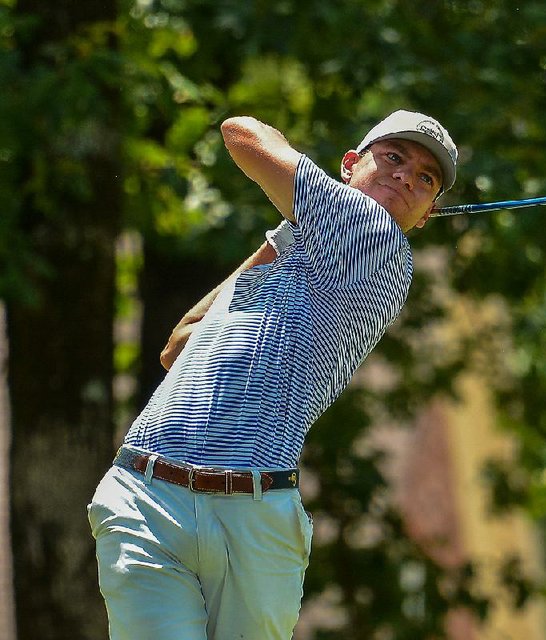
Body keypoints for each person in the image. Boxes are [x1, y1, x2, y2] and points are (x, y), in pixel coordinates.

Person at [87, 109, 458, 639]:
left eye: (426, 178)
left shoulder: (375, 237)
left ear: (427, 214)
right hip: (147, 495)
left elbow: (242, 133)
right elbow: (179, 345)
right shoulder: (304, 247)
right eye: (393, 158)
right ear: (350, 164)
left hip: (253, 517)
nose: (405, 176)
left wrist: (313, 207)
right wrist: (287, 235)